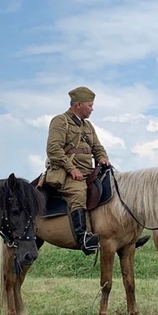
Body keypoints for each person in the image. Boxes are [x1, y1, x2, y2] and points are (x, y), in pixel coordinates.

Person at [44, 86, 110, 255]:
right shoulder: (60, 121)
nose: (92, 109)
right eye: (90, 105)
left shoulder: (88, 126)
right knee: (79, 192)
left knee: (114, 187)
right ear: (78, 105)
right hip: (66, 173)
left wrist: (102, 157)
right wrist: (71, 168)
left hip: (89, 171)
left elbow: (97, 147)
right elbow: (53, 149)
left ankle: (121, 234)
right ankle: (83, 238)